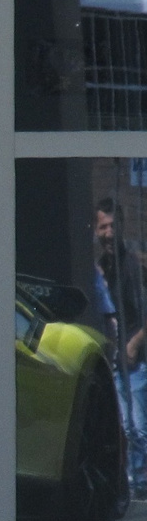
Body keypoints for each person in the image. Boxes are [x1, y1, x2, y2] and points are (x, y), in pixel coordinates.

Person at [95, 197, 147, 499]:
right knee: (125, 427)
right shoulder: (100, 270)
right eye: (104, 226)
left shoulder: (133, 267)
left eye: (114, 226)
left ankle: (140, 481)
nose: (109, 233)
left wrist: (133, 344)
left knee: (139, 426)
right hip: (115, 360)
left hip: (136, 360)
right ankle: (132, 480)